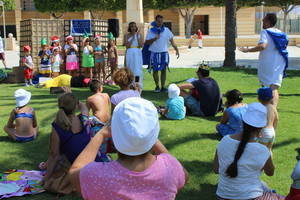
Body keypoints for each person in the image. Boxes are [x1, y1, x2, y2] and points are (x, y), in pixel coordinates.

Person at [69, 97, 189, 200]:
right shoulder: (170, 168)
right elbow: (184, 176)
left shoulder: (95, 175)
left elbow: (74, 172)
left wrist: (100, 134)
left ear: (114, 132)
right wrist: (147, 137)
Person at [213, 102, 284, 200]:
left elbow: (216, 169)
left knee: (264, 186)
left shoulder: (224, 140)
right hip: (251, 197)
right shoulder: (262, 150)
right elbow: (270, 172)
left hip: (222, 196)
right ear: (261, 127)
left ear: (243, 122)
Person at [39, 92, 104, 194]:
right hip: (98, 164)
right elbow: (83, 107)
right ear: (75, 106)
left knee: (59, 162)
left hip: (82, 169)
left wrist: (46, 178)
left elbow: (54, 155)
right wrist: (74, 99)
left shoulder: (57, 126)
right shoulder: (83, 119)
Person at [239, 13, 288, 108]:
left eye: (264, 20)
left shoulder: (265, 32)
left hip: (268, 63)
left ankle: (270, 113)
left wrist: (248, 50)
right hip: (279, 63)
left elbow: (263, 46)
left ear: (268, 21)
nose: (262, 21)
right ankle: (272, 111)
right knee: (274, 87)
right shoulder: (282, 34)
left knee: (267, 87)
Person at [145, 15, 180, 93]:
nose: (160, 22)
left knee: (164, 70)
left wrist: (177, 50)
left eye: (161, 21)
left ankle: (163, 87)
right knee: (155, 70)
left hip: (164, 53)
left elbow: (172, 41)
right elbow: (146, 42)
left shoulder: (167, 30)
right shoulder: (151, 30)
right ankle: (157, 86)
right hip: (154, 53)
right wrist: (154, 38)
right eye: (158, 21)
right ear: (156, 21)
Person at [124, 22, 144, 88]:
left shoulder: (139, 35)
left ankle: (137, 84)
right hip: (130, 52)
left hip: (137, 53)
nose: (133, 28)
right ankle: (130, 84)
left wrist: (137, 36)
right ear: (130, 28)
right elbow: (127, 46)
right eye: (132, 26)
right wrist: (133, 36)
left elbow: (141, 45)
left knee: (137, 69)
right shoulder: (126, 35)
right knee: (130, 68)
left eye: (134, 26)